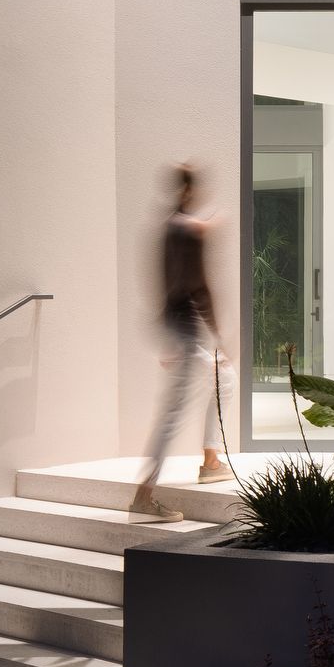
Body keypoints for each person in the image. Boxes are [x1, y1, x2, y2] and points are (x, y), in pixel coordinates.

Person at [130, 163, 236, 517]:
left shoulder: (169, 228)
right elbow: (200, 285)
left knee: (223, 380)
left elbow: (162, 279)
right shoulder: (189, 231)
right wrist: (218, 333)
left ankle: (211, 460)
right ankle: (144, 496)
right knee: (173, 413)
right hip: (188, 328)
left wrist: (167, 333)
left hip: (176, 326)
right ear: (189, 191)